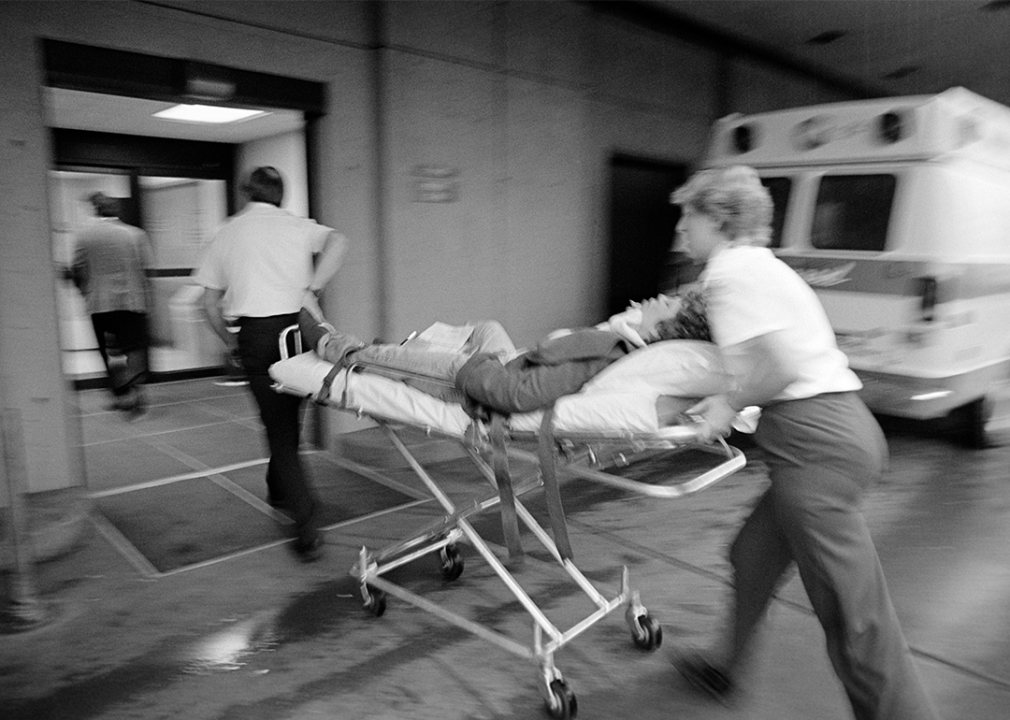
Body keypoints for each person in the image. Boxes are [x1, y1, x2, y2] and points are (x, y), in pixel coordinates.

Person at [669, 166, 939, 720]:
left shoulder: (731, 274)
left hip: (818, 450)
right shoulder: (759, 269)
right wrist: (730, 396)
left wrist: (726, 405)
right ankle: (726, 666)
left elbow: (781, 366)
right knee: (752, 554)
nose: (680, 230)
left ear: (718, 219)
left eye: (687, 216)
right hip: (829, 437)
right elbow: (769, 360)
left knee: (852, 613)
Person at [193, 166, 348, 562]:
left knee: (277, 430)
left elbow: (208, 304)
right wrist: (311, 289)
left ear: (247, 193)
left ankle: (306, 525)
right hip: (299, 331)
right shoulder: (296, 226)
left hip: (257, 337)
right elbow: (339, 241)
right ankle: (279, 488)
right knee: (287, 422)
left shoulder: (227, 231)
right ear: (281, 194)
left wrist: (230, 341)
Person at [298, 287, 711, 415]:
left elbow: (518, 395)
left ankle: (330, 342)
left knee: (385, 357)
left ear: (664, 327)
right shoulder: (614, 339)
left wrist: (469, 369)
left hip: (472, 386)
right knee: (488, 328)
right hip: (507, 363)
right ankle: (405, 353)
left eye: (666, 303)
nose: (658, 297)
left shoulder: (608, 353)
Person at [71, 192, 153, 418]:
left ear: (96, 210)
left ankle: (121, 394)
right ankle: (137, 393)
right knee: (133, 349)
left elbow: (76, 270)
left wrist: (85, 292)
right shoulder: (136, 235)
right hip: (132, 303)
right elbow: (145, 270)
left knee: (110, 352)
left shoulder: (84, 236)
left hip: (100, 303)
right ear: (117, 210)